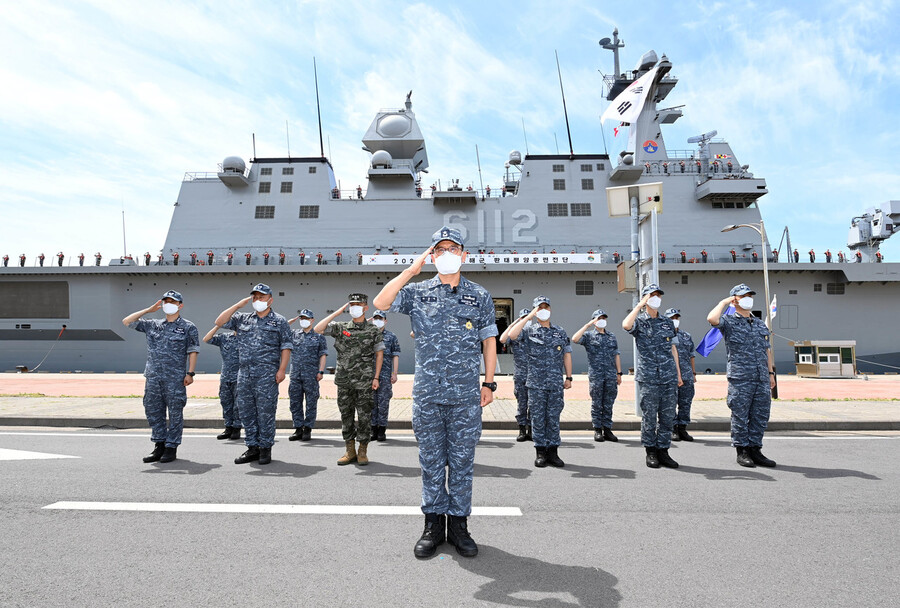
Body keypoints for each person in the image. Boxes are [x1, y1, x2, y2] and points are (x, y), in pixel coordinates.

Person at [373, 226, 497, 559]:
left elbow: (489, 340)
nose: (445, 255)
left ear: (464, 254)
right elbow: (381, 302)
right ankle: (432, 525)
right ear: (431, 255)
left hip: (465, 396)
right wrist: (412, 270)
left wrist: (488, 382)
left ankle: (458, 526)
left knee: (461, 463)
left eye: (451, 249)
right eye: (438, 250)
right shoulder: (417, 292)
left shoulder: (480, 296)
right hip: (428, 394)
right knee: (430, 462)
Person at [215, 283, 292, 466]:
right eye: (255, 297)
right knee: (246, 412)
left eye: (262, 297)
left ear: (270, 300)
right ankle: (252, 447)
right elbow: (219, 322)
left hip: (267, 374)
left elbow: (286, 346)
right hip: (244, 374)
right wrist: (237, 306)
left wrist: (282, 370)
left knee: (265, 412)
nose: (258, 300)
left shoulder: (279, 321)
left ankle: (265, 448)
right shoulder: (242, 319)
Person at [122, 290, 199, 464]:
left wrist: (190, 373)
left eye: (173, 302)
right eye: (166, 301)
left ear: (180, 305)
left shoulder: (188, 327)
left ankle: (171, 447)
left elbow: (193, 350)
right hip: (153, 377)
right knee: (153, 411)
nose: (169, 304)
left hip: (175, 378)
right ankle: (159, 445)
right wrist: (148, 310)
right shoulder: (153, 324)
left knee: (175, 413)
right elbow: (127, 321)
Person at [707, 284, 776, 468]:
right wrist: (724, 302)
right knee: (740, 415)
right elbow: (712, 319)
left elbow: (766, 351)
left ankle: (756, 449)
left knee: (760, 415)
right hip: (741, 378)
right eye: (743, 295)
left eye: (750, 295)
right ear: (735, 299)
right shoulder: (729, 321)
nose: (748, 298)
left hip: (761, 377)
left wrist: (771, 373)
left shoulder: (760, 324)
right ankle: (742, 451)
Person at [315, 294, 383, 466]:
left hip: (364, 381)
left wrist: (376, 377)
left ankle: (362, 450)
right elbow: (318, 329)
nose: (354, 307)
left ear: (365, 307)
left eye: (358, 304)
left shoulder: (373, 330)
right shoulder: (341, 327)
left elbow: (379, 354)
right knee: (346, 415)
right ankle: (349, 450)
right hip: (344, 381)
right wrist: (336, 313)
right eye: (352, 304)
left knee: (365, 416)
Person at [506, 296, 572, 469]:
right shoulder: (529, 331)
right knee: (537, 418)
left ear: (550, 309)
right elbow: (511, 336)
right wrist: (527, 318)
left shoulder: (560, 331)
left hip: (555, 383)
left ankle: (553, 452)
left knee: (553, 418)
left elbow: (566, 354)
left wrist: (569, 377)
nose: (543, 310)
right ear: (535, 310)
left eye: (546, 307)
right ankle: (540, 452)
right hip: (535, 383)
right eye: (539, 307)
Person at [622, 284, 682, 469]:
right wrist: (639, 305)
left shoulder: (668, 322)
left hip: (668, 376)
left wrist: (678, 374)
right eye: (652, 295)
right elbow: (626, 325)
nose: (656, 298)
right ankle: (650, 451)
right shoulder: (640, 321)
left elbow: (673, 349)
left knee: (667, 416)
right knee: (649, 416)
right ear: (646, 298)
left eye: (658, 295)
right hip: (648, 377)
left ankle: (663, 451)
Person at [572, 309, 622, 443]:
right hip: (597, 375)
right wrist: (587, 325)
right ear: (594, 321)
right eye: (599, 318)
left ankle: (607, 429)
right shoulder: (589, 336)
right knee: (597, 403)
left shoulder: (611, 336)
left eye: (604, 318)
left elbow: (616, 354)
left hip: (611, 375)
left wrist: (619, 373)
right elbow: (575, 339)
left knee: (609, 403)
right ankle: (597, 430)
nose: (602, 320)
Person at [286, 308, 328, 442]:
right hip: (295, 375)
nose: (303, 321)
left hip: (311, 374)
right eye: (301, 318)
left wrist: (321, 371)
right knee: (295, 402)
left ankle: (308, 429)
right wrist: (290, 322)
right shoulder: (294, 334)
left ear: (312, 320)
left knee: (311, 402)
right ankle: (298, 428)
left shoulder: (319, 336)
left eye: (306, 318)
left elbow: (323, 355)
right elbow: (281, 330)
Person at [203, 325, 242, 441]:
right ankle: (228, 427)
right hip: (226, 376)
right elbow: (207, 339)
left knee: (238, 405)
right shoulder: (225, 337)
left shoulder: (248, 338)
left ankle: (236, 428)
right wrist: (217, 326)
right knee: (225, 402)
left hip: (240, 377)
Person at [499, 308, 532, 442]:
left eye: (528, 318)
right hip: (520, 375)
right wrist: (512, 325)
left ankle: (532, 430)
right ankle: (522, 430)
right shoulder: (515, 335)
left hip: (535, 375)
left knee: (534, 404)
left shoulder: (535, 333)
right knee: (522, 403)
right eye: (523, 318)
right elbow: (502, 339)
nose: (526, 321)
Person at [665, 308, 697, 442]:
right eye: (672, 318)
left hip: (687, 375)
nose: (675, 320)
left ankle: (682, 428)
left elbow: (691, 355)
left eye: (677, 318)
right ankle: (673, 429)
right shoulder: (664, 336)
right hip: (670, 375)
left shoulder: (686, 336)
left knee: (686, 403)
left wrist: (693, 373)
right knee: (671, 403)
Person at [370, 310, 400, 442]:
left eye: (380, 318)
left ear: (385, 321)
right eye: (375, 318)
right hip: (369, 375)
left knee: (383, 403)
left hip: (385, 375)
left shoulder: (391, 337)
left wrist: (395, 373)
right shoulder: (367, 336)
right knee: (371, 403)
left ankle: (381, 430)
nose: (378, 321)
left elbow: (395, 355)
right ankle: (373, 430)